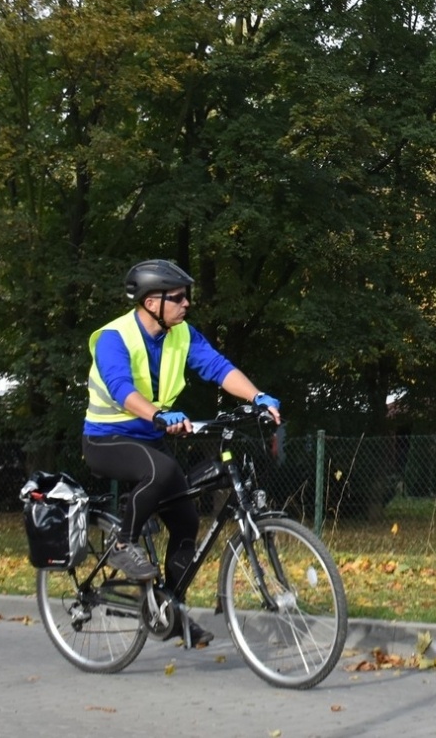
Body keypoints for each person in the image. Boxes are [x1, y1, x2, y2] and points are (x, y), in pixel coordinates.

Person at [82, 259, 282, 649]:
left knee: (187, 522)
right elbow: (121, 387)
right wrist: (156, 414)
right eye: (176, 297)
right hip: (106, 440)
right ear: (149, 301)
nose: (186, 303)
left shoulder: (181, 335)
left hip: (149, 441)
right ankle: (124, 543)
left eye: (186, 296)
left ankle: (168, 612)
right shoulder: (114, 337)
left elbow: (218, 367)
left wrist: (257, 396)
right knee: (162, 469)